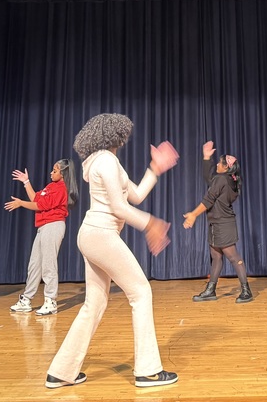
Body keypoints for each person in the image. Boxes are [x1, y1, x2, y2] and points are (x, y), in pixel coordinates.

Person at [45, 113, 180, 390]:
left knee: (94, 303)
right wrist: (150, 224)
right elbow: (119, 208)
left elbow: (136, 195)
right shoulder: (106, 160)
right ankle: (148, 371)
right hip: (101, 234)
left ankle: (62, 371)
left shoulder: (102, 161)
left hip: (93, 235)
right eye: (123, 133)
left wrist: (154, 169)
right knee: (141, 292)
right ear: (114, 135)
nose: (125, 138)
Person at [182, 140, 253, 304]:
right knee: (216, 257)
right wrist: (206, 157)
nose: (217, 166)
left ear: (226, 167)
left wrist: (193, 214)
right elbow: (209, 178)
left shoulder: (222, 180)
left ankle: (246, 291)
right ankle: (210, 290)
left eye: (219, 164)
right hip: (216, 223)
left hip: (223, 224)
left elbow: (208, 200)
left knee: (234, 258)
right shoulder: (227, 180)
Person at [5, 158, 79, 316]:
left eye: (55, 170)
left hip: (53, 226)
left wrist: (20, 203)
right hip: (43, 227)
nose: (51, 173)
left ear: (63, 173)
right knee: (34, 265)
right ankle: (26, 299)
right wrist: (26, 182)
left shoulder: (61, 188)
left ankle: (50, 300)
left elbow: (40, 206)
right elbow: (36, 199)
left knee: (48, 265)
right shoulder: (51, 186)